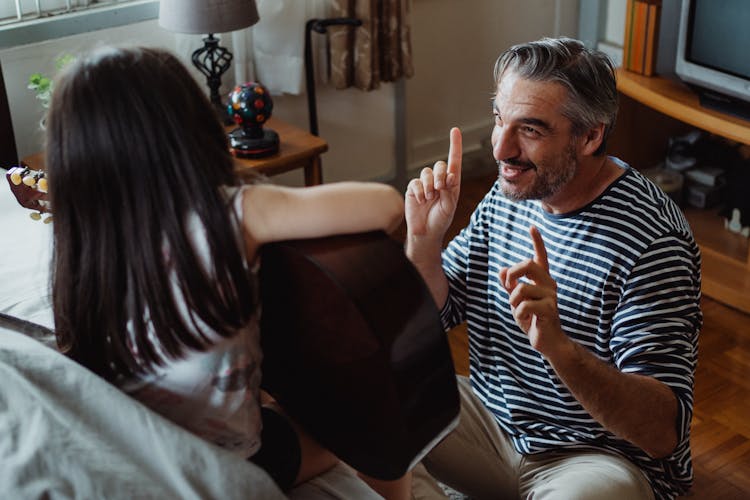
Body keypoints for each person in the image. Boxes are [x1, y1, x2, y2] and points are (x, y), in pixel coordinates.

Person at [44, 45, 410, 499]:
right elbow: (388, 207)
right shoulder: (229, 216)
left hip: (142, 454)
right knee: (383, 413)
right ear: (188, 126)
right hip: (226, 467)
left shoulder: (83, 244)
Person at [404, 37, 701, 500]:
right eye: (500, 118)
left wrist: (558, 346)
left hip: (595, 460)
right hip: (493, 425)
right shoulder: (509, 197)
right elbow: (438, 314)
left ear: (590, 136)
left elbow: (661, 432)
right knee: (374, 387)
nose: (501, 149)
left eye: (531, 130)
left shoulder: (653, 242)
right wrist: (423, 242)